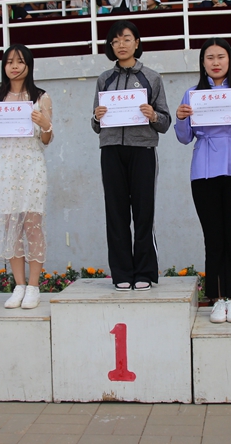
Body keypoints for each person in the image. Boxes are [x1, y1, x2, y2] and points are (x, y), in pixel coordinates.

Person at [174, 38, 231, 324]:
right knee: (213, 237)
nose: (215, 62)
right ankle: (216, 299)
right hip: (204, 168)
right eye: (209, 57)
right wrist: (181, 118)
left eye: (221, 57)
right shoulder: (192, 93)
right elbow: (184, 138)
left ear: (229, 60)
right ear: (202, 63)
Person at [92, 20, 171, 291]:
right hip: (111, 150)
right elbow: (95, 125)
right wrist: (97, 116)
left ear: (136, 42)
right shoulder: (104, 79)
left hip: (143, 151)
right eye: (115, 41)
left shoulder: (152, 77)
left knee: (143, 212)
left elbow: (165, 122)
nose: (121, 45)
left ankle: (145, 272)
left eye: (126, 39)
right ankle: (122, 273)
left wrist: (153, 115)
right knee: (115, 213)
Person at [0, 45, 53, 309]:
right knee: (11, 228)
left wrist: (46, 125)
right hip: (4, 167)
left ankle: (34, 286)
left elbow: (46, 139)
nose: (14, 66)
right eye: (9, 62)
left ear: (29, 65)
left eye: (19, 61)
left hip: (30, 165)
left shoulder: (41, 97)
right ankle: (18, 285)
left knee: (32, 225)